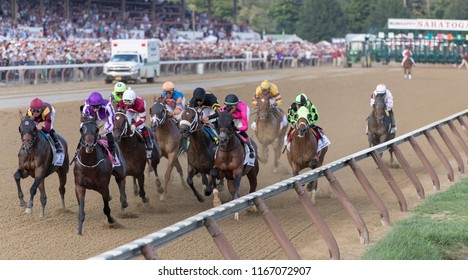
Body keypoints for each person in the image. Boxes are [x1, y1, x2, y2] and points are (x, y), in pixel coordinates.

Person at [81, 91, 119, 166]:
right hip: (92, 117)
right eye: (93, 107)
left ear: (101, 104)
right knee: (86, 132)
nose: (95, 109)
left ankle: (113, 154)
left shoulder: (108, 106)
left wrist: (102, 132)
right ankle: (78, 150)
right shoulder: (86, 106)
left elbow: (111, 123)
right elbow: (84, 123)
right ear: (90, 105)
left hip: (105, 117)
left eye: (97, 106)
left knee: (109, 133)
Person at [118, 87, 153, 159]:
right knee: (125, 123)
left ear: (134, 100)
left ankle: (148, 142)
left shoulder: (140, 105)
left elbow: (143, 119)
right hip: (129, 110)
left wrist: (135, 124)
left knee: (140, 126)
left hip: (138, 110)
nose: (128, 104)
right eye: (126, 102)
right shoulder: (121, 103)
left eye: (129, 102)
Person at [222, 94, 255, 159]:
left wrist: (236, 129)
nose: (228, 108)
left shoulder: (243, 109)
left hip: (241, 114)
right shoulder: (224, 109)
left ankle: (250, 146)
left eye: (230, 107)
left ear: (235, 105)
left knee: (239, 132)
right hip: (233, 115)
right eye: (227, 106)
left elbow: (245, 127)